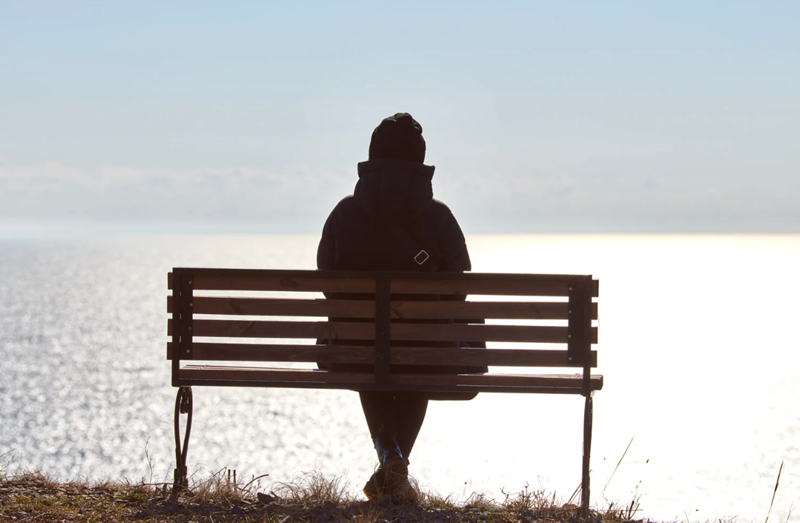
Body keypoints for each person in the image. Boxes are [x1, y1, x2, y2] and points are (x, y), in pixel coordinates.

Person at [316, 113, 476, 501]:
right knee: (417, 357)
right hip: (426, 353)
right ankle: (394, 460)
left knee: (372, 357)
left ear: (372, 158)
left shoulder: (344, 214)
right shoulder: (439, 216)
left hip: (355, 350)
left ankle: (390, 454)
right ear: (420, 163)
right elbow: (460, 283)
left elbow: (325, 278)